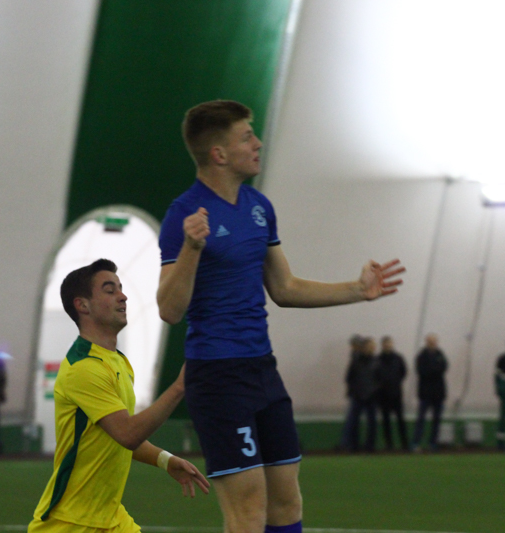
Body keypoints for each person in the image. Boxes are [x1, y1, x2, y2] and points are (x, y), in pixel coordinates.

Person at [157, 100, 404, 533]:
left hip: (262, 371)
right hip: (217, 376)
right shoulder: (185, 213)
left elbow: (285, 288)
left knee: (287, 504)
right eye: (247, 136)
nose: (258, 143)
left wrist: (357, 289)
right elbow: (169, 309)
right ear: (218, 153)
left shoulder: (259, 207)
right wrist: (192, 249)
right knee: (249, 511)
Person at [28, 259, 209, 533]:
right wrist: (180, 387)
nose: (122, 296)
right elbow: (127, 433)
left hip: (112, 519)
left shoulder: (118, 362)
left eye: (121, 289)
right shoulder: (83, 368)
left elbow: (119, 435)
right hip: (70, 524)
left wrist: (165, 460)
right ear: (83, 305)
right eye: (110, 290)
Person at [340, 335, 378, 452]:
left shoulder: (376, 361)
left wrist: (374, 390)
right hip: (357, 395)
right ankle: (353, 445)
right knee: (354, 422)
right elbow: (349, 378)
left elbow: (380, 379)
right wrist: (355, 391)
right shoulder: (356, 361)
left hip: (372, 396)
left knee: (372, 422)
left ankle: (370, 446)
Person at [411, 333, 448, 452]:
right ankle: (416, 443)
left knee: (436, 420)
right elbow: (422, 371)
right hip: (425, 393)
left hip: (438, 393)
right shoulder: (421, 356)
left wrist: (432, 370)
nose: (432, 343)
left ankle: (433, 443)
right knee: (421, 419)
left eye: (434, 341)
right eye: (430, 341)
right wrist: (434, 370)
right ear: (426, 342)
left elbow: (444, 368)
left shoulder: (440, 355)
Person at [375, 336, 408, 451]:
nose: (388, 345)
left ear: (392, 344)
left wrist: (396, 382)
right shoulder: (377, 359)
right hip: (383, 394)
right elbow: (375, 375)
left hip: (396, 394)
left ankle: (404, 443)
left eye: (389, 343)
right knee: (386, 421)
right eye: (385, 344)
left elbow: (403, 372)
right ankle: (389, 444)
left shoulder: (398, 358)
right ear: (382, 345)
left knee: (400, 420)